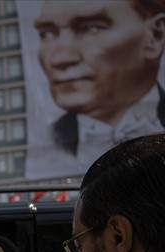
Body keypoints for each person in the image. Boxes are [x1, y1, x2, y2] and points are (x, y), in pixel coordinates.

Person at [33, 0, 165, 165]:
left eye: (90, 28)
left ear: (155, 35)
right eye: (47, 34)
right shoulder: (48, 138)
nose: (59, 59)